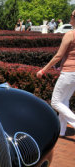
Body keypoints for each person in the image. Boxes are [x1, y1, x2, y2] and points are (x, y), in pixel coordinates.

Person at [37, 9, 75, 137]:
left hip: (69, 73)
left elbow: (58, 56)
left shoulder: (70, 34)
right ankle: (61, 131)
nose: (71, 17)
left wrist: (44, 69)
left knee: (55, 102)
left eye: (72, 15)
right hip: (73, 73)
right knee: (64, 101)